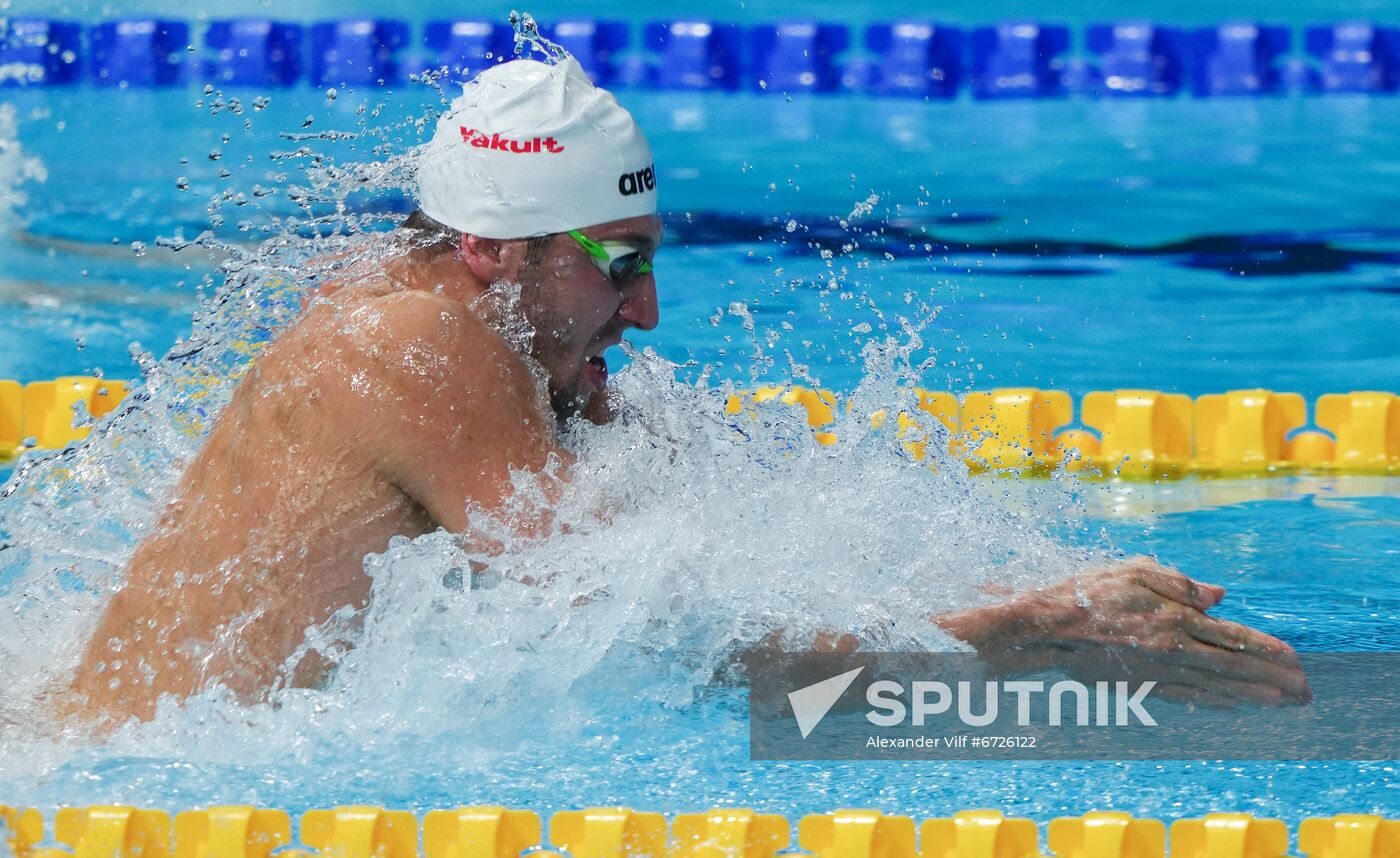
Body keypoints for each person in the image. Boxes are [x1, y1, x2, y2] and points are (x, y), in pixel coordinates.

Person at [65, 57, 1306, 725]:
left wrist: (983, 598)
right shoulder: (412, 349)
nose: (647, 311)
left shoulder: (477, 327)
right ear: (499, 252)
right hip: (133, 797)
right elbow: (676, 650)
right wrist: (1027, 628)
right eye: (622, 263)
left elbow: (707, 565)